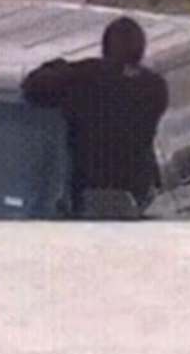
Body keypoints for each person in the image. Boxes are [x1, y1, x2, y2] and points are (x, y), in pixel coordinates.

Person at [22, 15, 169, 215]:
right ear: (141, 51)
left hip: (88, 194)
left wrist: (60, 66)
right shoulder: (155, 88)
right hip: (139, 195)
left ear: (105, 49)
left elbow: (34, 87)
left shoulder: (87, 80)